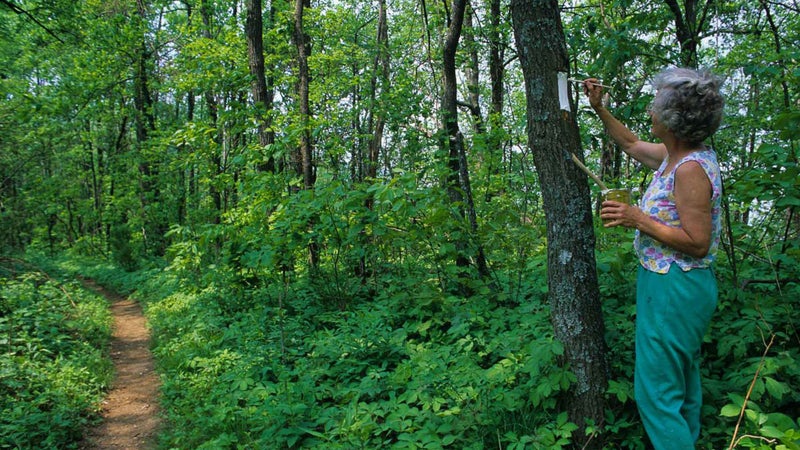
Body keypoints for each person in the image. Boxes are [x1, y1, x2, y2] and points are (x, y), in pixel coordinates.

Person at [583, 68, 725, 449]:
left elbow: (697, 242)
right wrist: (599, 109)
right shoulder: (676, 155)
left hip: (675, 285)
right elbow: (630, 144)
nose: (650, 112)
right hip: (672, 281)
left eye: (656, 106)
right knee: (681, 379)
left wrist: (637, 219)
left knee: (656, 394)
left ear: (674, 122)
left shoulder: (691, 169)